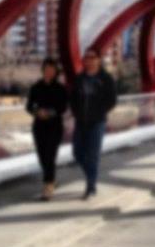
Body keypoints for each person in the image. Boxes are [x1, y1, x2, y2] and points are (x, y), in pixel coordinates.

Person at [71, 48, 117, 199]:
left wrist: (99, 112)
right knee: (78, 153)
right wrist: (76, 113)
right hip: (81, 122)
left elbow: (112, 100)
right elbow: (72, 99)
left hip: (97, 122)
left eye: (92, 57)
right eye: (87, 57)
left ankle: (90, 186)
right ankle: (91, 176)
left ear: (98, 59)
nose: (89, 60)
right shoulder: (79, 79)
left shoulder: (105, 78)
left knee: (93, 155)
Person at [26, 57, 68, 200]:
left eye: (52, 69)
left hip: (55, 127)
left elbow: (63, 107)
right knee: (42, 156)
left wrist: (50, 113)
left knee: (50, 155)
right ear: (43, 70)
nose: (49, 71)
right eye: (46, 68)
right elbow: (29, 106)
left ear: (56, 71)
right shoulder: (36, 87)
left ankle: (48, 186)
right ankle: (51, 180)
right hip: (39, 126)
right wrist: (37, 112)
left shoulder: (60, 88)